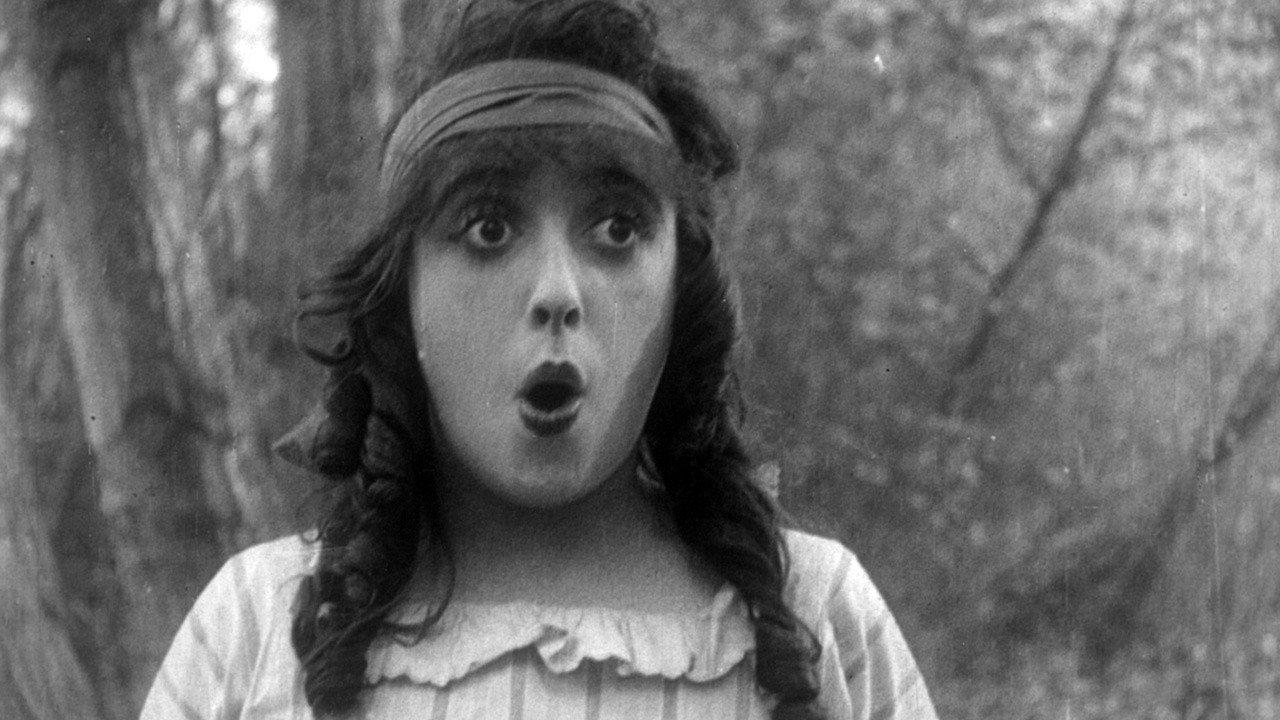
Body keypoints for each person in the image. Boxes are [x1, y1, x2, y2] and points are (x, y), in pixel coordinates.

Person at [139, 1, 938, 718]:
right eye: (488, 228)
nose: (558, 290)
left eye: (617, 229)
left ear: (680, 295)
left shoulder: (816, 619)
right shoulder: (255, 629)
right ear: (402, 296)